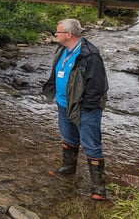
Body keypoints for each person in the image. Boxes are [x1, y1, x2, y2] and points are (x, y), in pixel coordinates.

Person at [42, 19, 108, 201]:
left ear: (69, 35)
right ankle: (68, 168)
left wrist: (85, 107)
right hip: (64, 105)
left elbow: (97, 86)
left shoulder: (90, 55)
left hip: (84, 109)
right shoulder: (63, 49)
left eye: (58, 32)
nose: (55, 35)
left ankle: (99, 188)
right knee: (69, 137)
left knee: (91, 145)